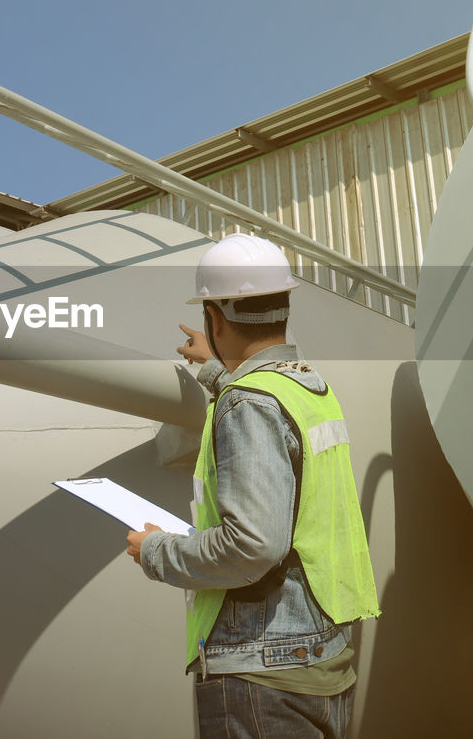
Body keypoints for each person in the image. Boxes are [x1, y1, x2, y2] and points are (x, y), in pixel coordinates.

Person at [126, 233, 379, 739]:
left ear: (214, 318)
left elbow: (253, 546)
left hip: (263, 674)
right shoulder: (308, 385)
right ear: (282, 307)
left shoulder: (248, 403)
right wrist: (219, 370)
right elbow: (269, 419)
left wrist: (155, 551)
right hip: (318, 655)